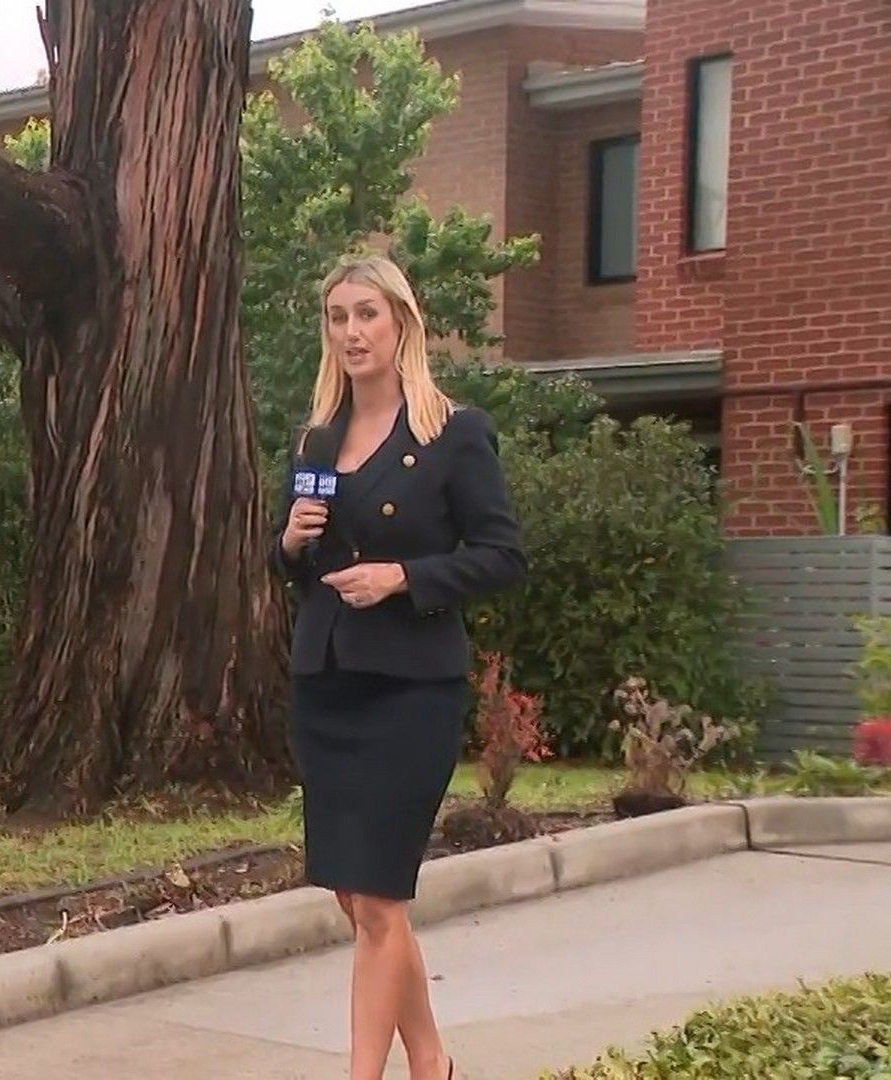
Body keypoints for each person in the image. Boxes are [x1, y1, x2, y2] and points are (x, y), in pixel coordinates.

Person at [271, 253, 525, 1080]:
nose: (352, 332)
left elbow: (501, 555)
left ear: (402, 323)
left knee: (381, 898)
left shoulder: (453, 433)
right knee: (356, 897)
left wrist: (404, 577)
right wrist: (290, 543)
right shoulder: (316, 438)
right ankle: (433, 1062)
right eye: (338, 316)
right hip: (328, 684)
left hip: (410, 689)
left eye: (367, 314)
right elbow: (296, 568)